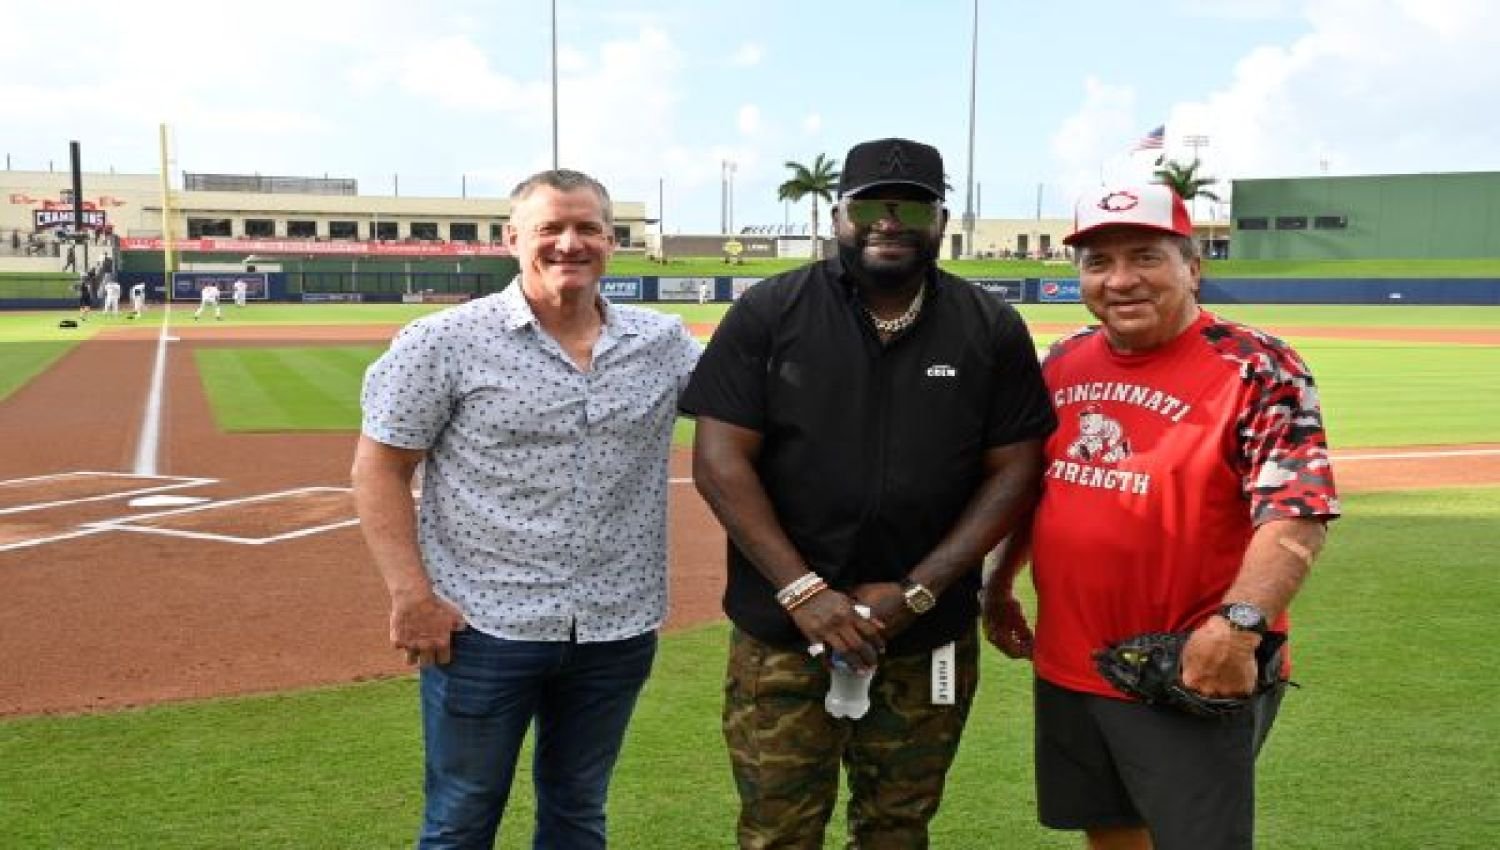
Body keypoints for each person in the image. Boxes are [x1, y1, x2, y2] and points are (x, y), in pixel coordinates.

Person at [681, 137, 1056, 849]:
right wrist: (804, 593)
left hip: (925, 636)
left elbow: (1014, 470)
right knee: (777, 833)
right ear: (838, 217)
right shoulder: (771, 311)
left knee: (897, 830)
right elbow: (720, 462)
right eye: (869, 207)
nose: (889, 222)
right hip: (783, 633)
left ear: (940, 221)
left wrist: (918, 592)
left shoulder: (989, 326)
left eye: (911, 208)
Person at [982, 184, 1341, 850]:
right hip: (1069, 660)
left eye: (1145, 256)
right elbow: (1040, 487)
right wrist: (999, 582)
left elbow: (1298, 513)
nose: (1121, 280)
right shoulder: (1063, 360)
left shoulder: (1258, 366)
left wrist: (1237, 631)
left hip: (1189, 664)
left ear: (1192, 267)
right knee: (1109, 829)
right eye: (1099, 262)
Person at [351, 168, 700, 849]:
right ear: (512, 239)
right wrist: (410, 595)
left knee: (579, 812)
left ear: (612, 241)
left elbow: (756, 401)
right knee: (460, 818)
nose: (570, 243)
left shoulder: (661, 344)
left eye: (587, 228)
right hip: (482, 626)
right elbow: (379, 469)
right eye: (550, 228)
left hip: (615, 626)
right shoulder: (443, 341)